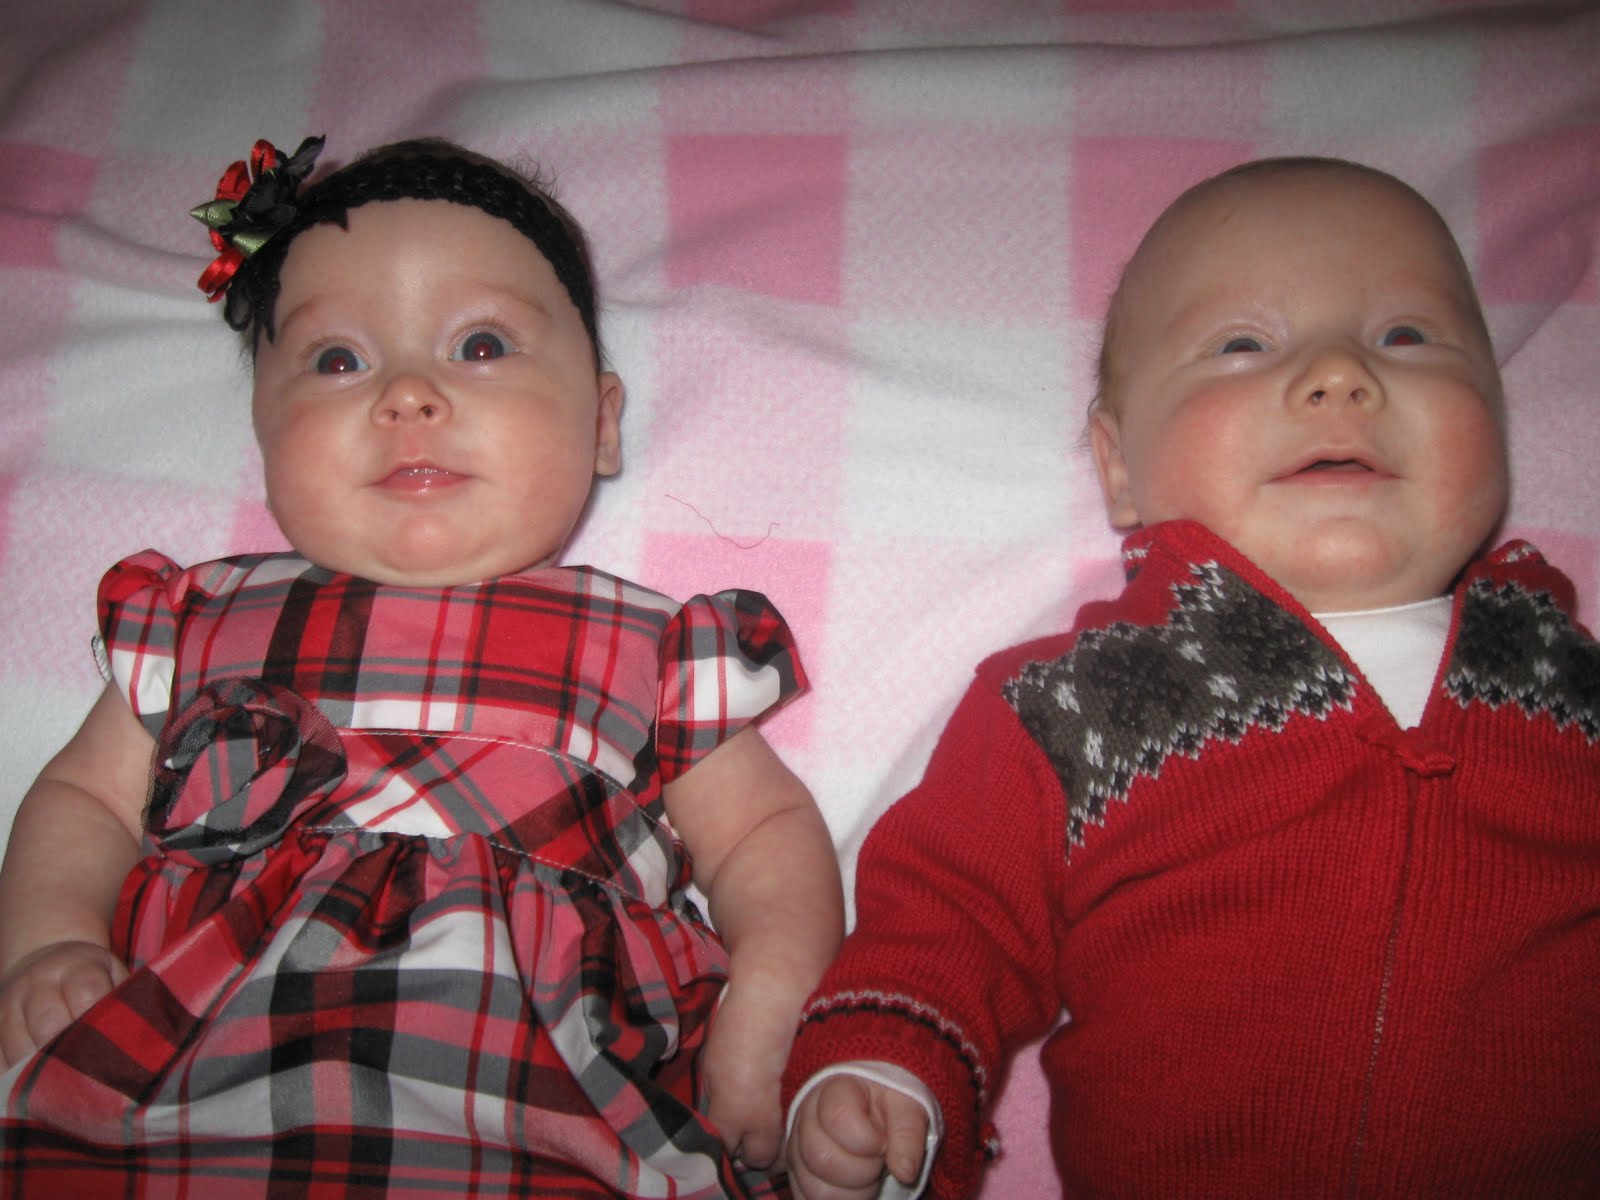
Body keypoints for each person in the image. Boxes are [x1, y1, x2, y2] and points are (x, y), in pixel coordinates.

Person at [0, 135, 843, 1199]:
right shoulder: (198, 620)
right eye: (337, 361)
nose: (406, 395)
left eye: (480, 344)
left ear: (601, 424)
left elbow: (764, 834)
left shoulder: (649, 645)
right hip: (179, 1101)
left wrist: (771, 1001)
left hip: (540, 1113)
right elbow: (83, 798)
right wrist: (46, 944)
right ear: (262, 431)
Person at [781, 156, 1600, 1199]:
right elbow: (953, 915)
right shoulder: (1082, 700)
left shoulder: (1568, 691)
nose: (1340, 374)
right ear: (1120, 466)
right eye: (1243, 345)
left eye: (1405, 335)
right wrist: (885, 1067)